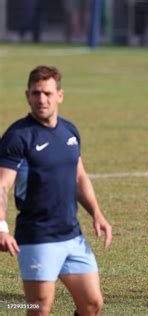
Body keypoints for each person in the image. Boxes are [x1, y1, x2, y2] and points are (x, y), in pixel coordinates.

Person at [0, 66, 112, 315]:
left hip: (72, 235)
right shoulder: (18, 137)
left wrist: (97, 213)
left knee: (92, 304)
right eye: (36, 93)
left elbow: (79, 176)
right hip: (37, 236)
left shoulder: (69, 132)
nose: (42, 99)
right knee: (38, 306)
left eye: (47, 93)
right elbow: (2, 185)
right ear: (27, 95)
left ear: (59, 95)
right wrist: (1, 228)